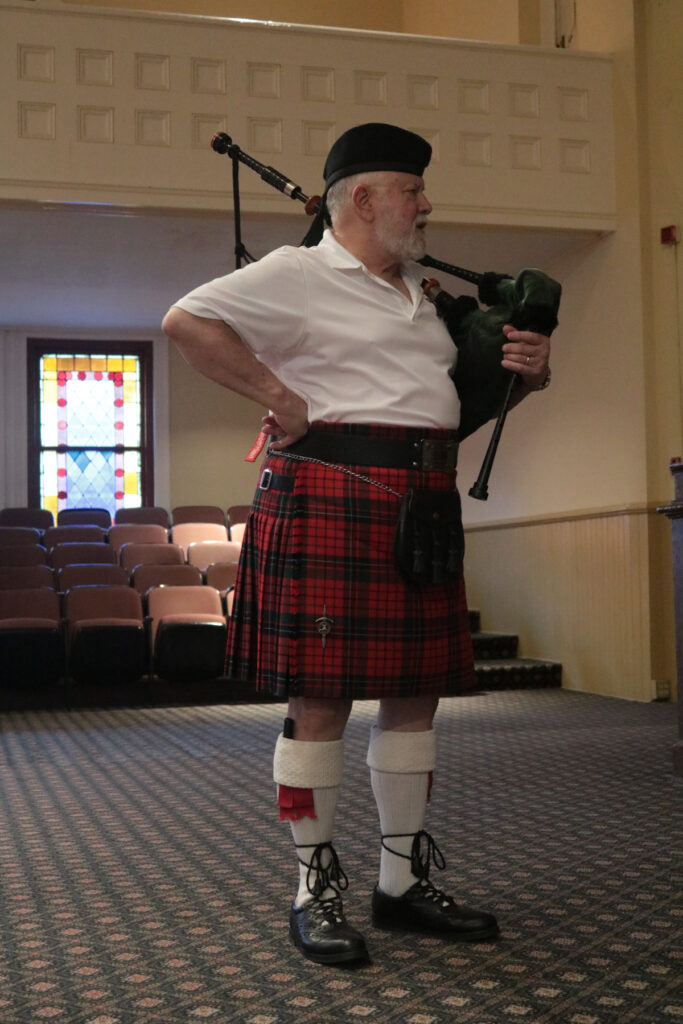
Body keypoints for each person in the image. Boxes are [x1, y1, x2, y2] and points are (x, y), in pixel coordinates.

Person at [162, 122, 551, 966]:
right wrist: (280, 397)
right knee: (320, 704)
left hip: (423, 500)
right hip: (329, 493)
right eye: (411, 191)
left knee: (416, 698)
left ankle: (400, 882)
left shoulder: (423, 295)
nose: (425, 205)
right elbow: (186, 322)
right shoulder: (298, 274)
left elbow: (449, 402)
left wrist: (521, 373)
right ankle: (313, 886)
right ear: (363, 199)